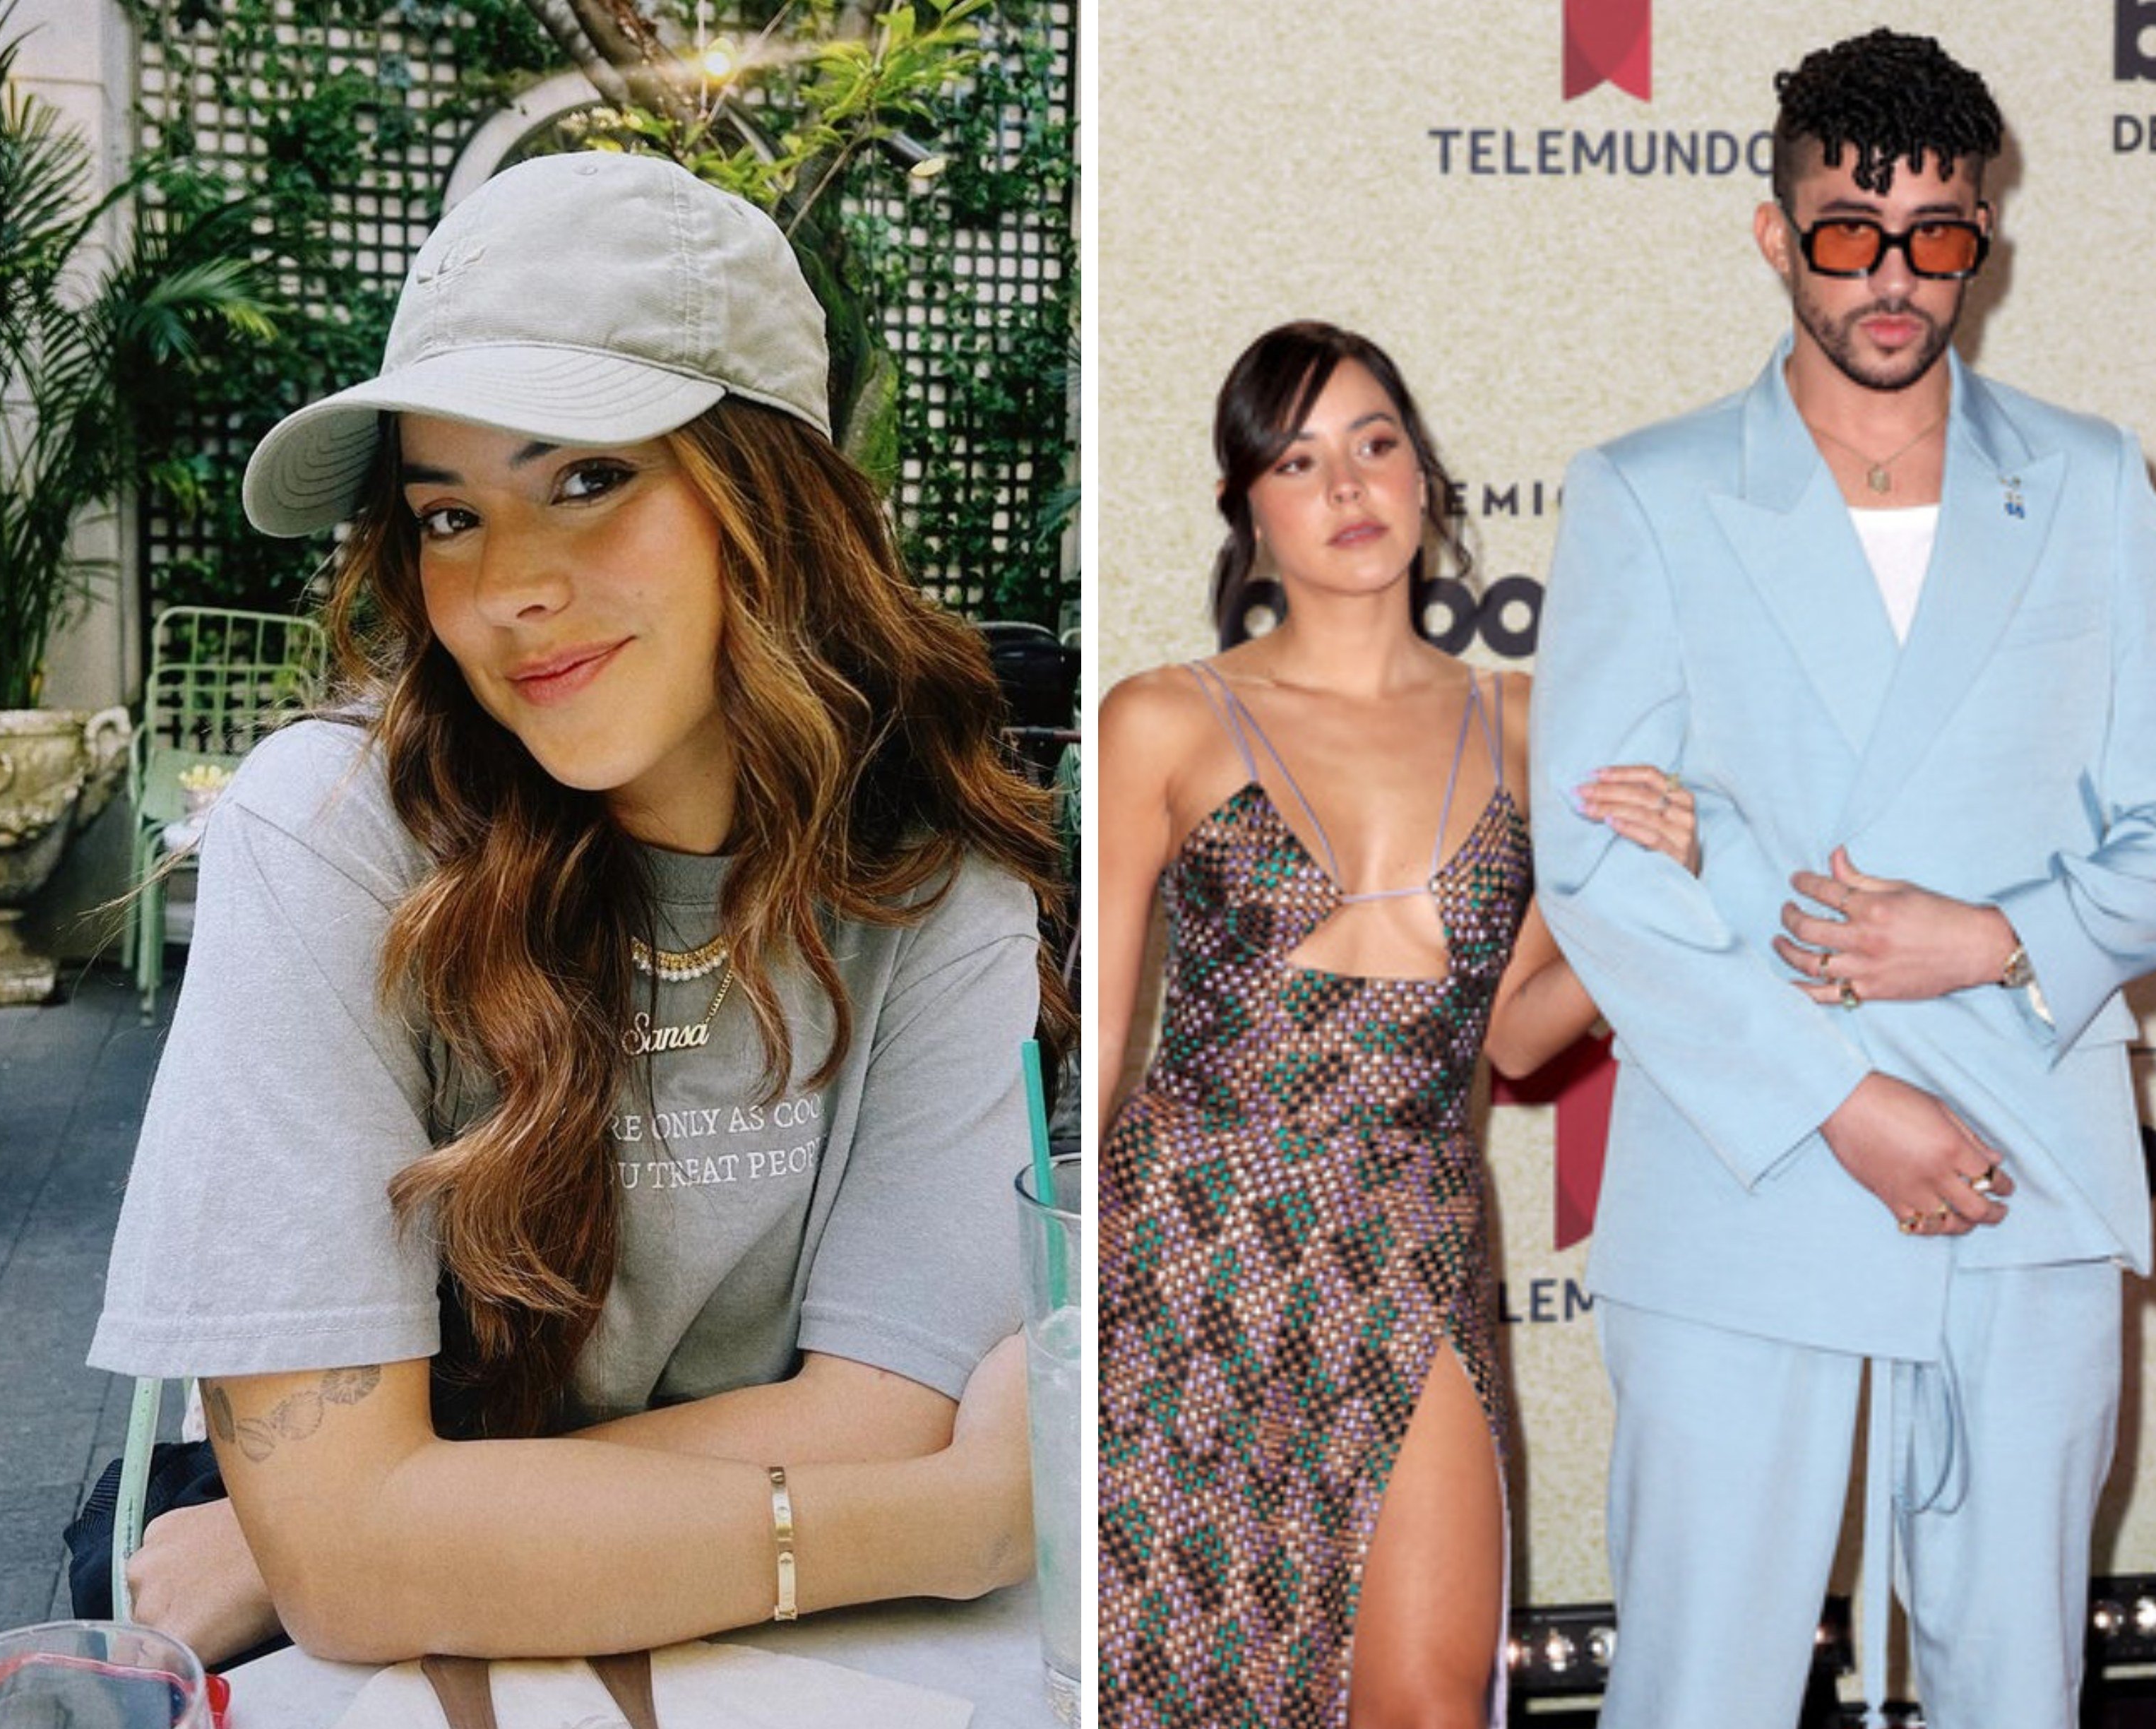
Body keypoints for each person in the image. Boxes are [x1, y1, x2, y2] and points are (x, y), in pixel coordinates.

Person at [85, 150, 1068, 1666]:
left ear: (774, 500)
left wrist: (388, 1532)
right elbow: (350, 1561)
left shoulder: (939, 887)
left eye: (589, 479)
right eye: (449, 515)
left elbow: (884, 1408)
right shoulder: (335, 835)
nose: (507, 590)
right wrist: (962, 1521)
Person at [1530, 30, 2156, 1729]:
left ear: (1980, 240)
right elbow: (1600, 870)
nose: (1897, 276)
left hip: (2025, 1158)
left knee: (2015, 1681)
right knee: (1703, 1683)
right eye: (1852, 229)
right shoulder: (1652, 495)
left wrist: (2000, 937)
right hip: (1751, 1160)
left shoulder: (2082, 481)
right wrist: (1844, 1102)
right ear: (1778, 234)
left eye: (1939, 234)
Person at [1095, 321, 1696, 1729]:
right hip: (1195, 1238)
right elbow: (1101, 1048)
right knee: (1183, 1688)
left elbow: (1520, 1035)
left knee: (1426, 1701)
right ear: (1250, 510)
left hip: (1411, 1227)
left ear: (1426, 475)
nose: (1349, 486)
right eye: (1299, 461)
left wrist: (1657, 896)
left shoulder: (1540, 728)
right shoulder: (1163, 722)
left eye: (1376, 444)